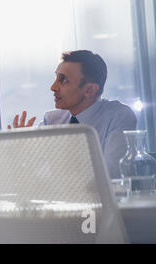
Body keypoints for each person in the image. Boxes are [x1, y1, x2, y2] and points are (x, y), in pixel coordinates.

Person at [12, 50, 137, 178]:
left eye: (63, 80)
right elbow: (33, 175)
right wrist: (22, 152)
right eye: (56, 78)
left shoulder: (118, 116)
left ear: (89, 90)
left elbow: (111, 175)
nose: (53, 87)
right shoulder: (52, 120)